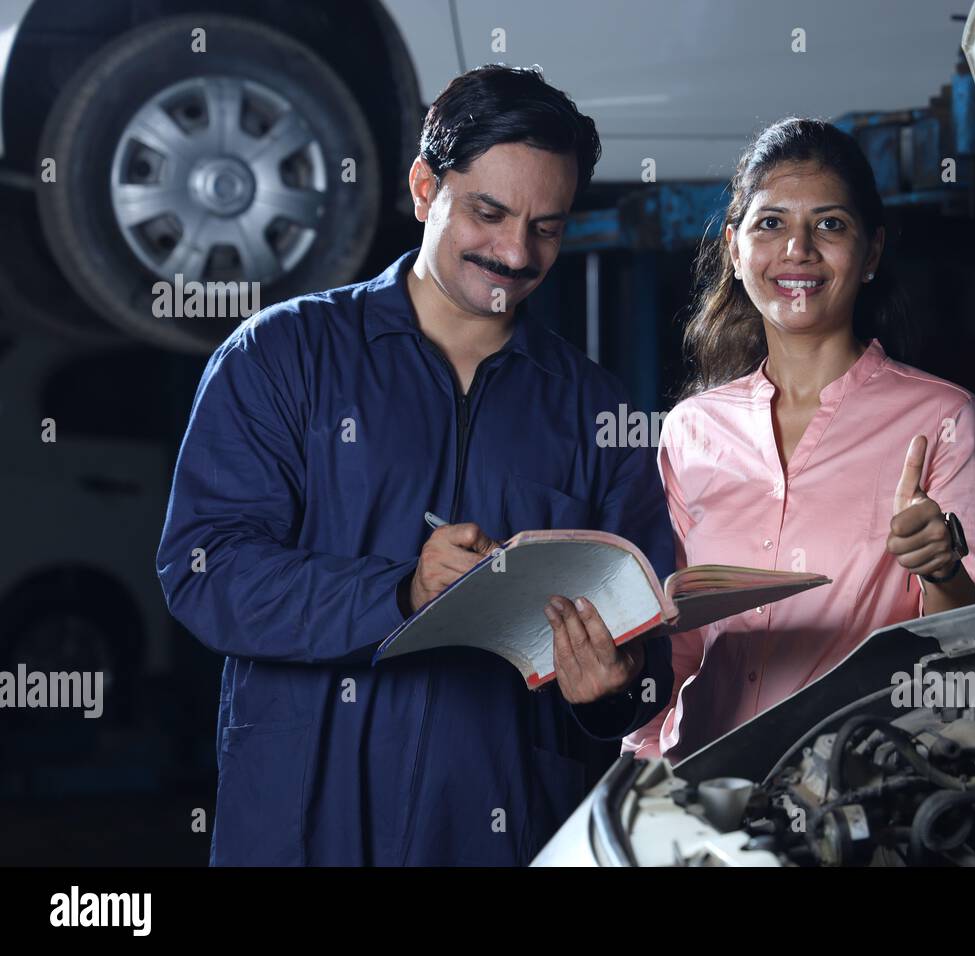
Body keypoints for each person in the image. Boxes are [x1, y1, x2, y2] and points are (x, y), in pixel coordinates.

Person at [156, 65, 673, 865]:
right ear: (425, 187)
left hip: (498, 826)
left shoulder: (593, 411)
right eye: (489, 212)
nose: (514, 252)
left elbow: (649, 661)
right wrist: (399, 592)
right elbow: (207, 572)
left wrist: (611, 688)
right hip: (302, 822)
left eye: (547, 227)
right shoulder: (283, 356)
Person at [624, 117, 975, 761]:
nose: (798, 248)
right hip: (704, 781)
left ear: (872, 253)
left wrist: (940, 569)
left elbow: (971, 655)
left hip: (858, 787)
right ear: (735, 251)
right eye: (770, 223)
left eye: (830, 224)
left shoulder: (943, 417)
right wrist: (643, 765)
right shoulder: (693, 428)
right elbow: (678, 645)